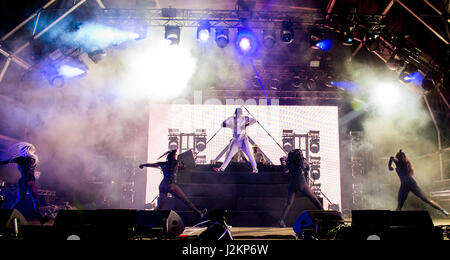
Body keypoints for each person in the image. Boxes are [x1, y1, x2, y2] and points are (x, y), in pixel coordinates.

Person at [139, 150, 207, 218]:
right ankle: (199, 213)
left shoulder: (162, 164)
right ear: (174, 156)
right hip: (171, 185)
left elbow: (151, 164)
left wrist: (143, 165)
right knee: (186, 201)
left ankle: (150, 218)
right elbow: (184, 167)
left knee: (160, 206)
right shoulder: (177, 163)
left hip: (162, 185)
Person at [0, 142, 51, 224]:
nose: (34, 152)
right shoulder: (31, 159)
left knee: (20, 200)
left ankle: (8, 215)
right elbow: (5, 162)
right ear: (29, 150)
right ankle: (41, 218)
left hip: (23, 181)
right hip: (28, 181)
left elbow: (5, 162)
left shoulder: (23, 159)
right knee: (35, 200)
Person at [389, 149, 448, 216]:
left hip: (406, 184)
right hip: (410, 183)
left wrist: (389, 166)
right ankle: (442, 210)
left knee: (400, 204)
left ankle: (442, 210)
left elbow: (391, 157)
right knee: (426, 200)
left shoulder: (399, 162)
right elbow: (392, 158)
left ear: (398, 157)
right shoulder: (406, 163)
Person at [278, 149, 323, 227]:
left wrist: (283, 160)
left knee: (288, 203)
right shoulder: (302, 160)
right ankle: (324, 214)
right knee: (314, 199)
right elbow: (308, 168)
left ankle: (281, 221)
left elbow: (285, 170)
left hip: (293, 184)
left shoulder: (290, 162)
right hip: (302, 184)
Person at [214, 108, 258, 174]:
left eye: (239, 114)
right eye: (237, 113)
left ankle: (255, 169)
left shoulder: (244, 118)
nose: (238, 115)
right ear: (235, 113)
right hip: (236, 140)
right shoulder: (231, 118)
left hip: (243, 139)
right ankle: (222, 169)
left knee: (249, 154)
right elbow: (222, 124)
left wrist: (247, 125)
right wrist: (231, 126)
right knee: (229, 154)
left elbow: (254, 120)